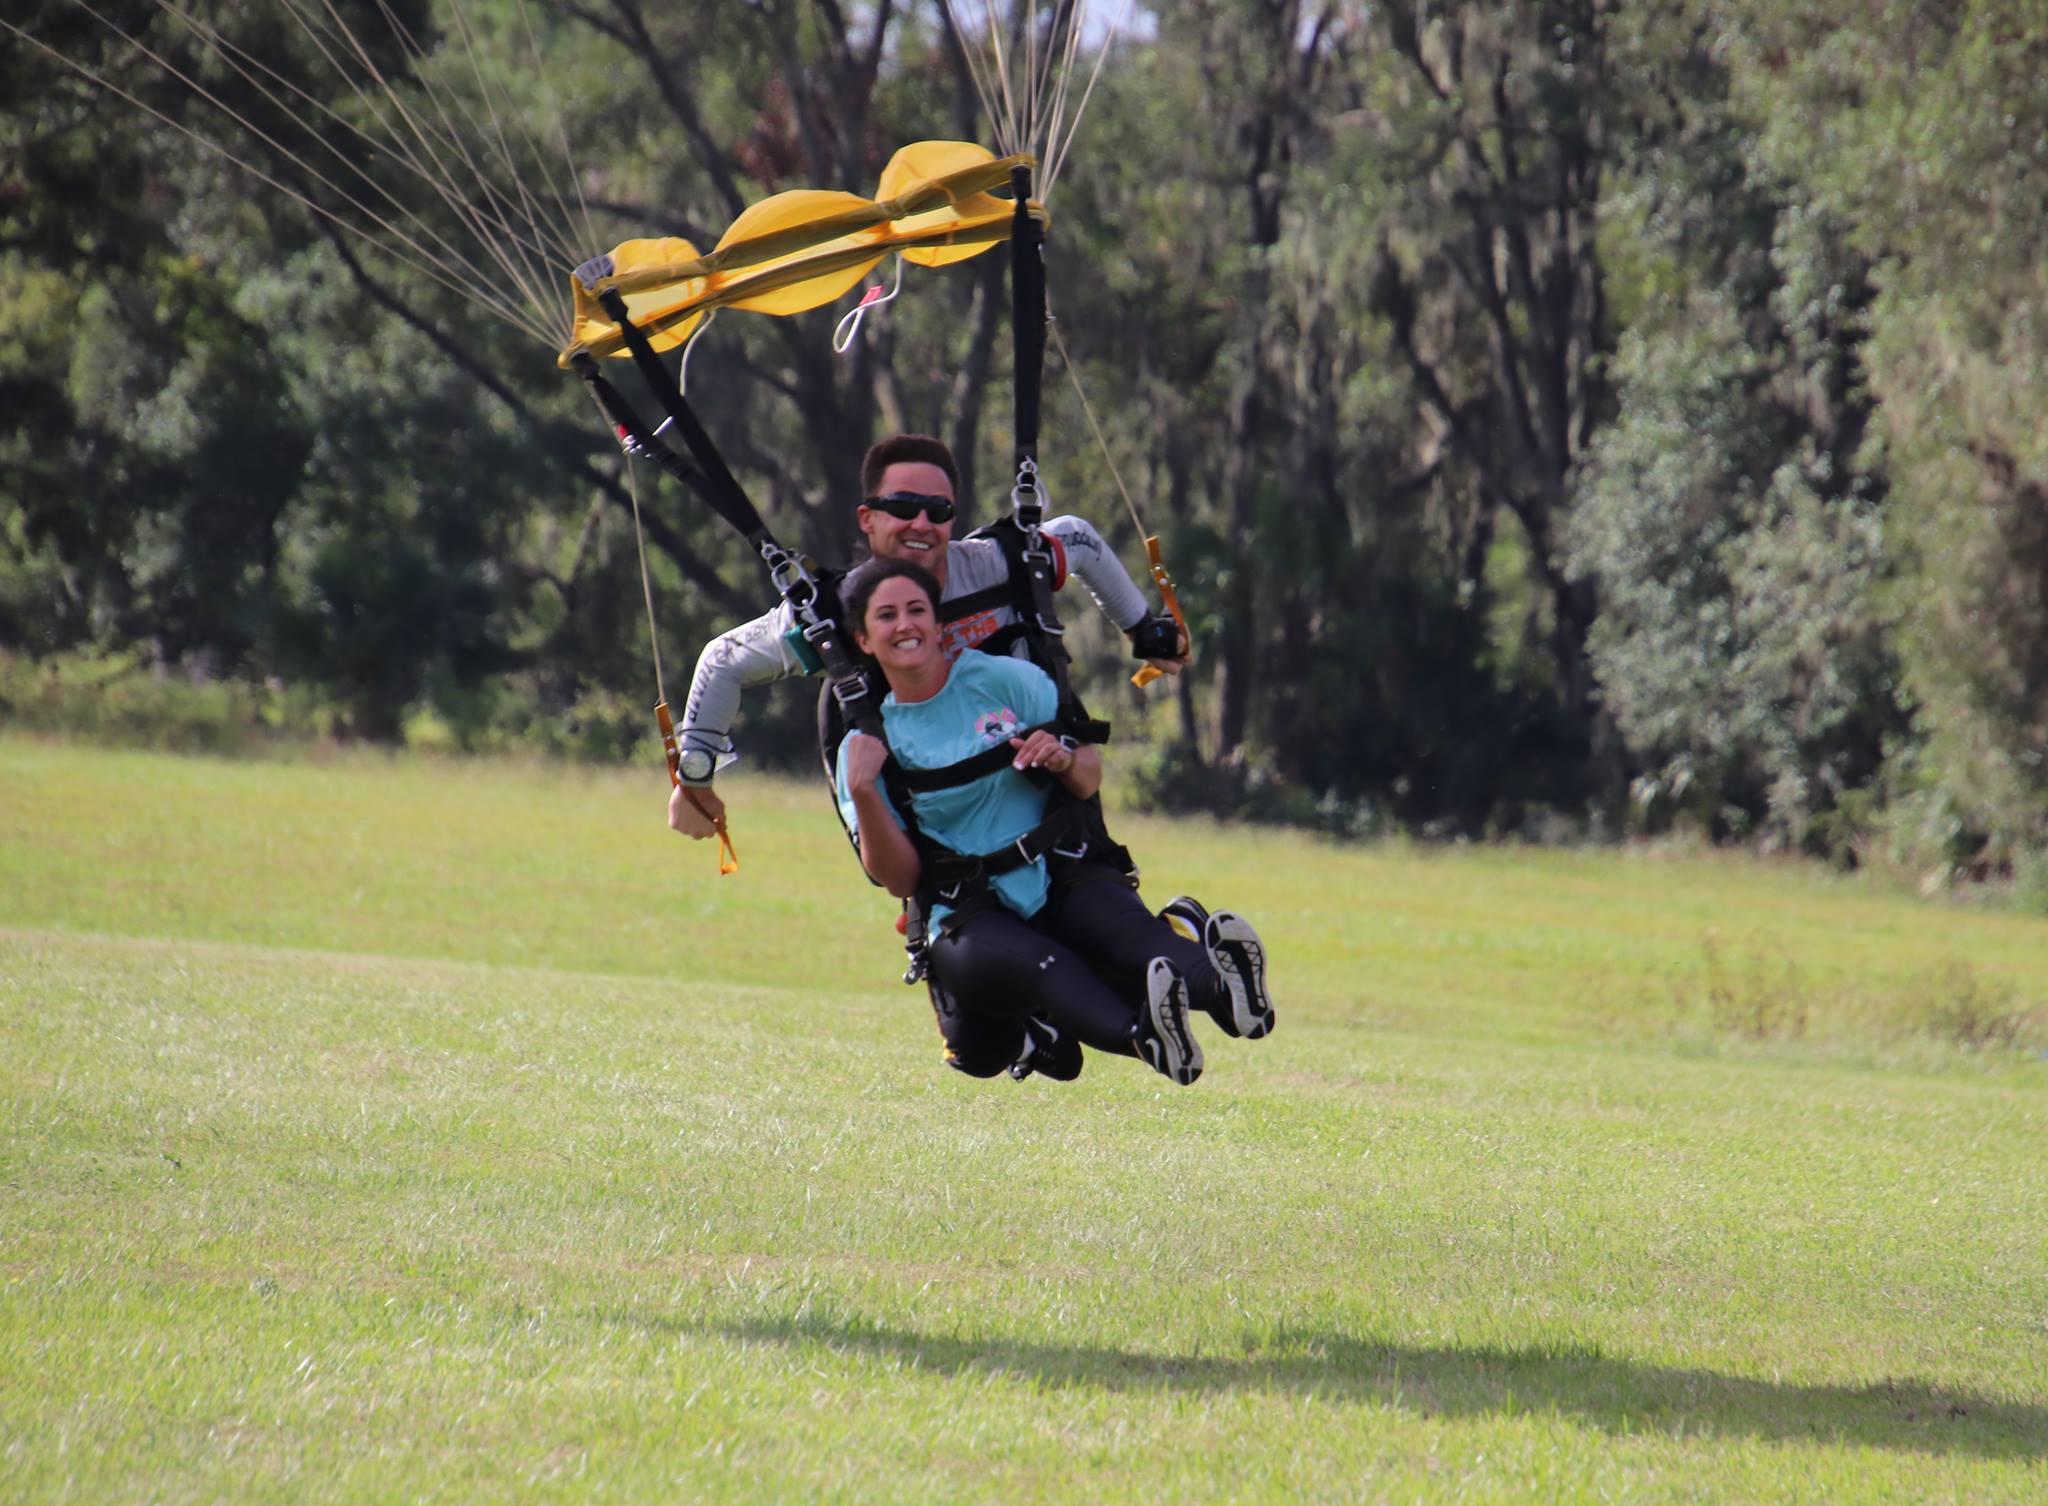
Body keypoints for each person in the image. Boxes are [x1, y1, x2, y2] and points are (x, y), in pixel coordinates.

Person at [833, 556, 1274, 1084]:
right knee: (1046, 963)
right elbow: (899, 879)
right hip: (971, 913)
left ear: (938, 622)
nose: (905, 624)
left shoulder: (1004, 681)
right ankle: (1147, 1038)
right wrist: (863, 790)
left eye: (916, 610)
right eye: (887, 616)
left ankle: (1231, 992)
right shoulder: (866, 746)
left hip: (1057, 871)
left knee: (1127, 932)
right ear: (863, 639)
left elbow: (1088, 776)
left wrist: (1064, 758)